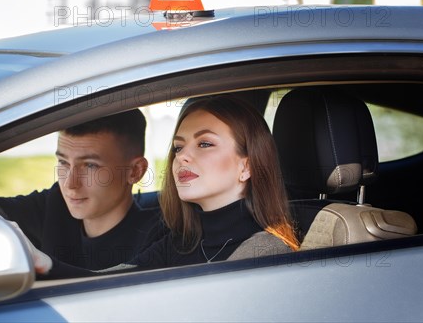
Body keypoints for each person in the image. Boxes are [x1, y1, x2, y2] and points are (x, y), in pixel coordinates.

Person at [40, 95, 298, 278]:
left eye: (205, 144)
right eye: (178, 147)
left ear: (247, 166)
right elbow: (106, 283)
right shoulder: (179, 244)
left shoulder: (267, 252)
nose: (182, 156)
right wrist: (41, 264)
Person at [0, 109, 163, 271]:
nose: (70, 183)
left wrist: (42, 263)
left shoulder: (158, 234)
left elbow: (114, 286)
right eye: (64, 163)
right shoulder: (55, 204)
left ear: (134, 171)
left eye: (90, 166)